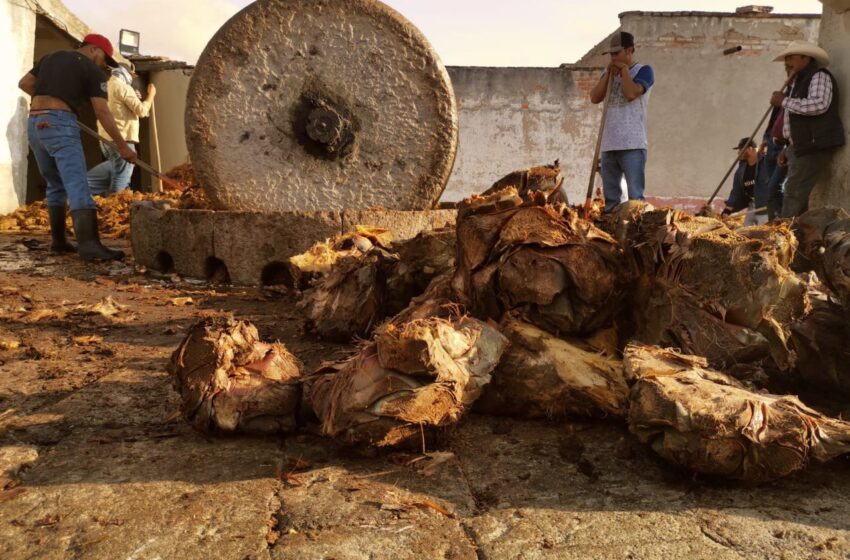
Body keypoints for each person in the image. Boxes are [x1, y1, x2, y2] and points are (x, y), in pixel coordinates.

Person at [17, 34, 136, 262]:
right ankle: (89, 245)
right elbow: (102, 112)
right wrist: (122, 146)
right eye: (104, 59)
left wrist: (52, 101)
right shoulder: (93, 72)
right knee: (78, 183)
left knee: (55, 184)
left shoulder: (51, 57)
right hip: (60, 124)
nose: (104, 65)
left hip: (35, 123)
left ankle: (59, 242)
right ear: (94, 50)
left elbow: (25, 84)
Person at [769, 41, 845, 218]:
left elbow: (819, 104)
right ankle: (799, 238)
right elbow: (792, 121)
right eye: (786, 58)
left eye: (791, 57)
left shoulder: (818, 76)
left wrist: (784, 101)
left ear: (806, 58)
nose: (787, 62)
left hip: (814, 145)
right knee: (794, 194)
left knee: (793, 192)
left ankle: (786, 235)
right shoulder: (797, 82)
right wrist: (787, 148)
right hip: (801, 146)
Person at [589, 31, 655, 212]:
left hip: (632, 144)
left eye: (617, 53)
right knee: (611, 200)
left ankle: (634, 234)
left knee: (635, 199)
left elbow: (630, 93)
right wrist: (609, 75)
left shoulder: (644, 71)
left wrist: (624, 70)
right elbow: (594, 97)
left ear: (629, 51)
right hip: (609, 144)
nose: (613, 58)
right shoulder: (608, 73)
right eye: (611, 54)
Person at [87, 62, 156, 195]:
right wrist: (151, 95)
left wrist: (135, 97)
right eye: (131, 75)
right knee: (121, 179)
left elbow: (120, 108)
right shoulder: (123, 87)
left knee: (116, 170)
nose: (131, 79)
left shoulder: (105, 86)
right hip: (122, 139)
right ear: (125, 73)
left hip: (106, 140)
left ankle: (80, 189)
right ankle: (116, 205)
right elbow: (142, 111)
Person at [722, 138, 769, 225]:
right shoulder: (741, 170)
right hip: (752, 206)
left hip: (766, 207)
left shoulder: (766, 163)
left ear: (750, 149)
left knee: (765, 233)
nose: (738, 152)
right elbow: (736, 191)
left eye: (741, 149)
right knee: (745, 232)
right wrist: (727, 210)